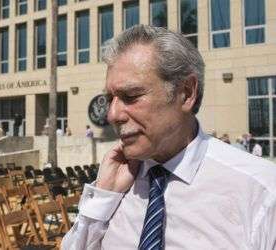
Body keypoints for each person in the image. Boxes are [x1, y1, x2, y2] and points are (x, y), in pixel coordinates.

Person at [62, 25, 276, 249]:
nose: (112, 115)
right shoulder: (116, 183)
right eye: (110, 99)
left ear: (186, 93)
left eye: (131, 96)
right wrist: (104, 198)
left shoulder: (262, 194)